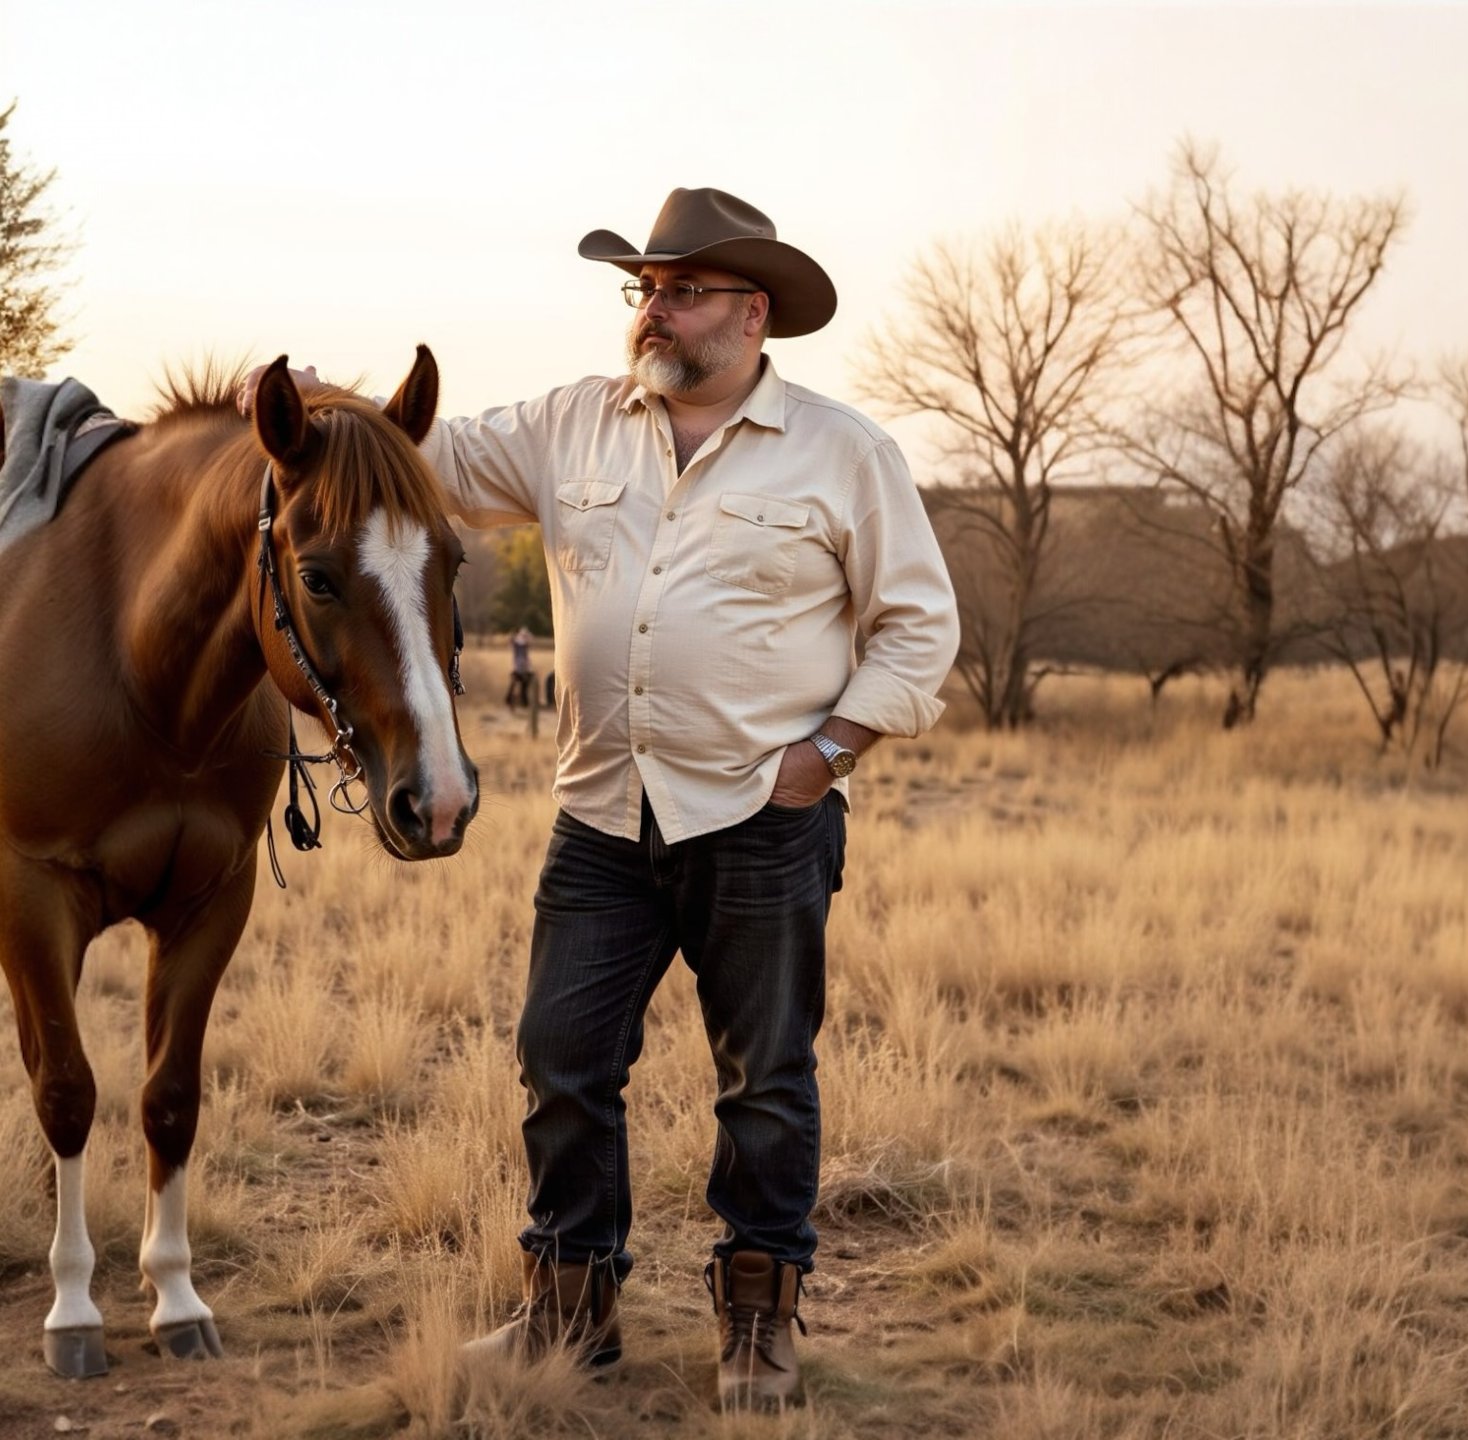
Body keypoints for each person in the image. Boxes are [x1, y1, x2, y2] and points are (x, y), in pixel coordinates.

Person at [249, 188, 959, 1408]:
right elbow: (414, 459)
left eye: (681, 289)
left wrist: (828, 753)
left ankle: (758, 1318)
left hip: (761, 816)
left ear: (753, 311)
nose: (654, 310)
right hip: (600, 816)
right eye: (643, 287)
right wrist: (328, 405)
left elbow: (918, 629)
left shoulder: (847, 453)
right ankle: (569, 1314)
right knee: (561, 1059)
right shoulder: (572, 424)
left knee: (766, 1078)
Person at [505, 624, 535, 709]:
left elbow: (530, 640)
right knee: (515, 684)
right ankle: (511, 700)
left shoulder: (524, 644)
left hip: (524, 668)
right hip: (517, 668)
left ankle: (523, 701)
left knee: (524, 685)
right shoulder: (517, 644)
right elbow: (510, 640)